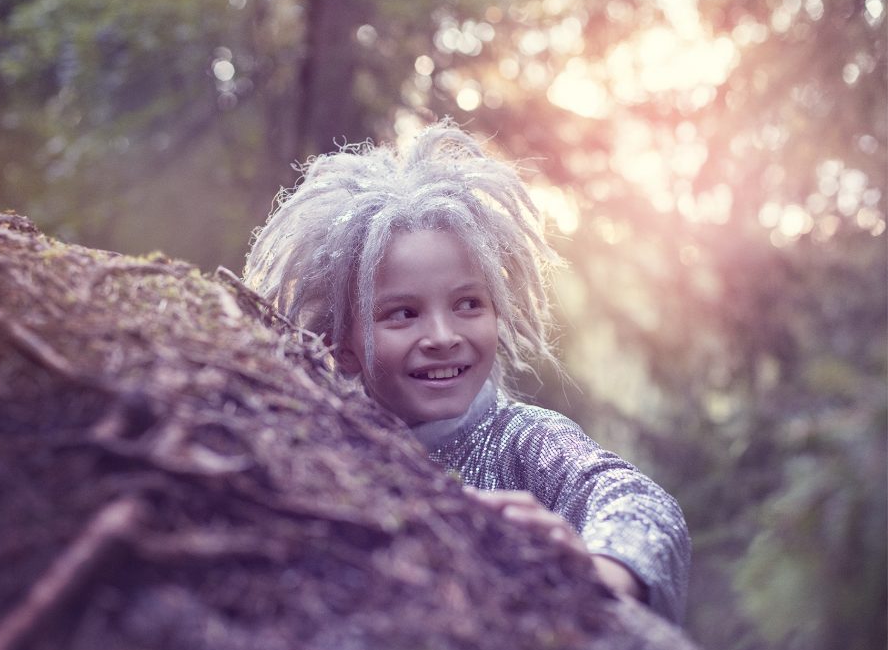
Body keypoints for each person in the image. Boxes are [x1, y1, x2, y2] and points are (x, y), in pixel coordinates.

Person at [243, 120, 690, 623]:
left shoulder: (526, 439)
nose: (442, 336)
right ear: (342, 347)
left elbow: (635, 498)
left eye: (468, 304)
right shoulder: (325, 451)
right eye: (403, 313)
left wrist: (604, 569)